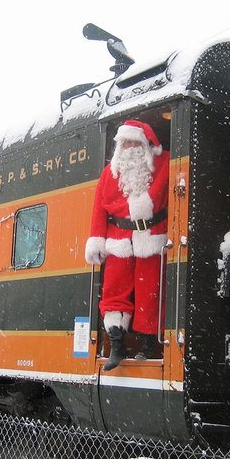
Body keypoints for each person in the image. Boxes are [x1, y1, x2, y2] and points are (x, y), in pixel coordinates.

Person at [85, 120, 169, 371]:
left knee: (149, 291)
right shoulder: (108, 173)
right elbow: (99, 210)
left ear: (145, 144)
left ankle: (147, 345)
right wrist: (96, 240)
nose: (130, 146)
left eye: (134, 141)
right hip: (118, 238)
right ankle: (118, 345)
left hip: (150, 235)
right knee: (114, 290)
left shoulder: (164, 163)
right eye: (125, 142)